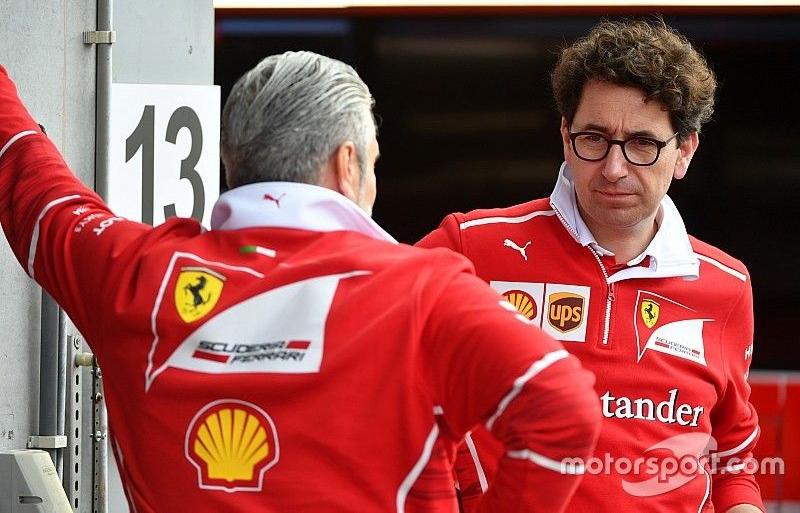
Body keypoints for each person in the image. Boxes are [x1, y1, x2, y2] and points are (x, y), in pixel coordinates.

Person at [0, 52, 600, 511]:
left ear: (232, 160)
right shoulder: (423, 289)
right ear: (348, 164)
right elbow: (563, 410)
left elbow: (30, 179)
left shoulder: (132, 272)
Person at [418, 19, 763, 512]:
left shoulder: (726, 285)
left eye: (643, 143)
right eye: (594, 138)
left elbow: (733, 455)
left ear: (684, 150)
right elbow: (366, 347)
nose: (614, 168)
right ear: (565, 136)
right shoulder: (470, 246)